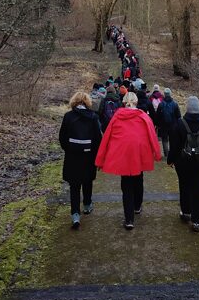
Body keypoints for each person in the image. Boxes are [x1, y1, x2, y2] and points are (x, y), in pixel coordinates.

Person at [95, 91, 161, 230]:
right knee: (138, 179)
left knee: (126, 186)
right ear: (136, 102)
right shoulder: (144, 116)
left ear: (124, 102)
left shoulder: (117, 117)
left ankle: (129, 219)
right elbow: (152, 136)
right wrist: (157, 154)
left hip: (123, 156)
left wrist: (100, 160)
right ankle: (137, 206)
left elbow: (106, 138)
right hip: (139, 154)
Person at [168, 96, 199, 232]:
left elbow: (174, 145)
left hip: (183, 163)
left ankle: (186, 212)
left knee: (185, 186)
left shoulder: (180, 123)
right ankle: (197, 221)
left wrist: (170, 160)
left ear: (187, 108)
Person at [59, 91, 102, 229]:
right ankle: (87, 205)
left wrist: (69, 149)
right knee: (87, 181)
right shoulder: (93, 117)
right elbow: (98, 138)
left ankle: (75, 214)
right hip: (88, 155)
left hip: (72, 156)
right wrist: (96, 155)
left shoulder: (68, 116)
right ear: (87, 102)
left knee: (74, 185)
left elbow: (62, 137)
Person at [156, 88, 181, 157]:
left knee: (164, 140)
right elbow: (179, 116)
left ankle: (166, 154)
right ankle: (172, 154)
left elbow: (158, 116)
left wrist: (158, 125)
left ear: (164, 94)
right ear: (170, 94)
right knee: (172, 140)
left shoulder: (161, 104)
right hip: (173, 126)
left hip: (163, 126)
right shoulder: (175, 104)